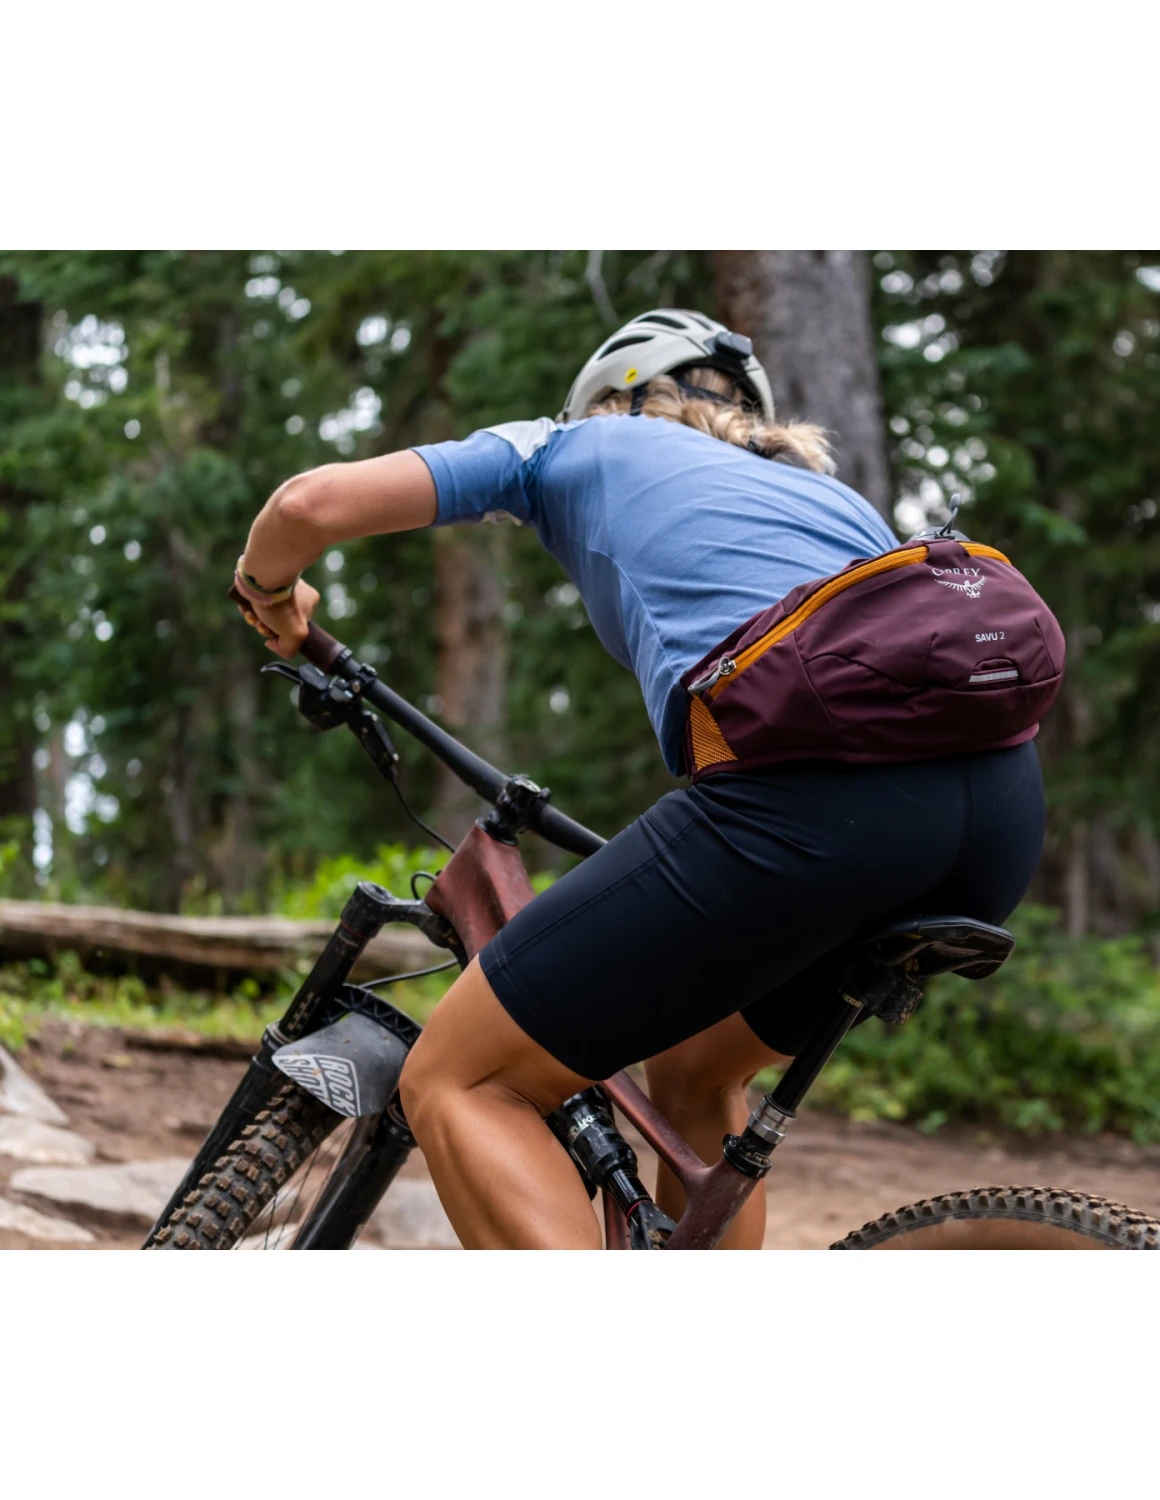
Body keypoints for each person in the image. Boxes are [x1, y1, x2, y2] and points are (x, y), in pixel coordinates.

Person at [232, 309, 1047, 1249]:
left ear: (611, 397)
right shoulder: (830, 499)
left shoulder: (572, 447)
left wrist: (270, 594)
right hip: (999, 821)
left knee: (460, 1080)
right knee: (696, 1072)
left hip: (813, 811)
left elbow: (306, 507)